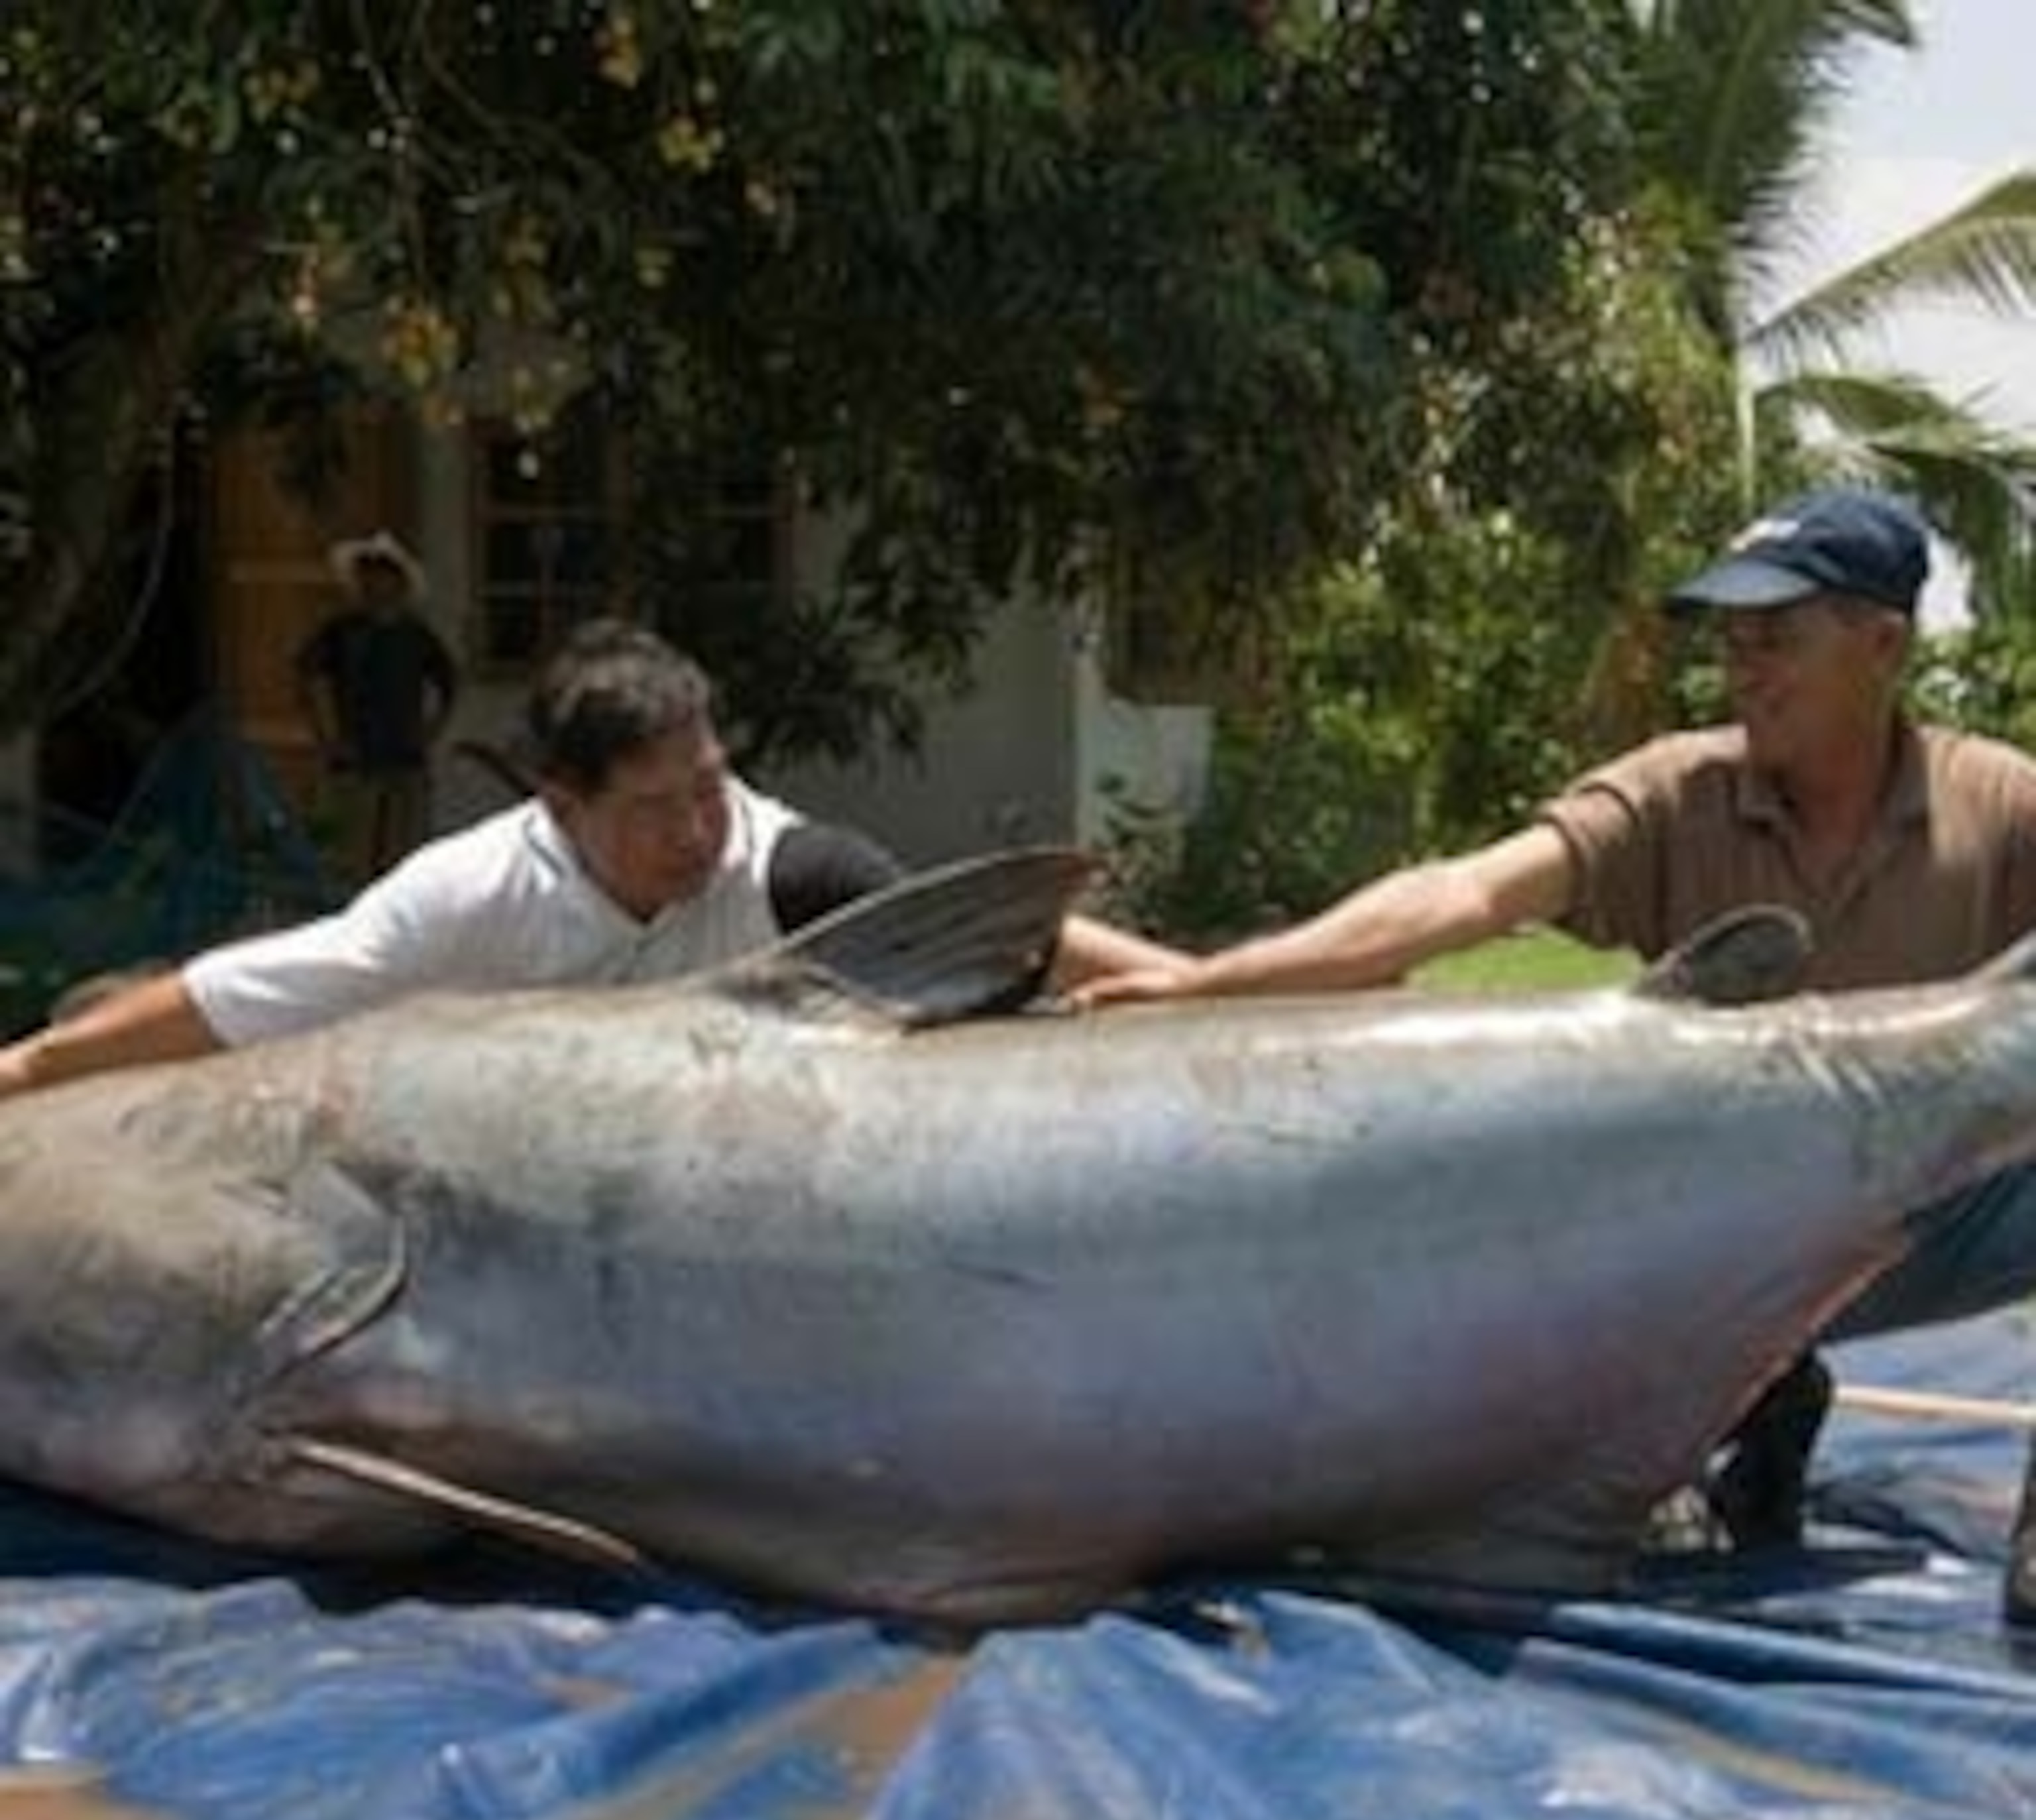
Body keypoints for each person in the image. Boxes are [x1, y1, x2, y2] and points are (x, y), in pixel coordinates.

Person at [1078, 484, 2036, 1618]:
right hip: (1687, 1252)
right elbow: (1468, 890)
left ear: (1882, 644)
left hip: (1911, 1225)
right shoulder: (1678, 793)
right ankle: (1728, 1409)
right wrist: (1209, 983)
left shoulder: (1999, 805)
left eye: (1775, 638)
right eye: (1731, 639)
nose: (1743, 667)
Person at [0, 618, 1183, 1100]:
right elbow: (232, 1000)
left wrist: (1200, 991)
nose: (697, 831)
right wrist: (29, 1070)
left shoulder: (784, 870)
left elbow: (988, 939)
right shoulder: (463, 900)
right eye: (656, 807)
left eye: (711, 787)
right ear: (559, 803)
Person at [296, 530, 460, 878]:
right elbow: (307, 677)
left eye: (381, 574)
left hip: (405, 757)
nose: (372, 583)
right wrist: (326, 737)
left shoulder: (416, 635)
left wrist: (430, 733)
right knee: (352, 859)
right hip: (356, 758)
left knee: (405, 859)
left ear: (398, 582)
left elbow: (449, 683)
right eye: (365, 574)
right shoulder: (341, 631)